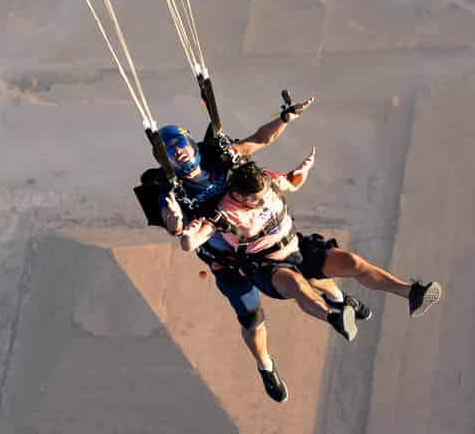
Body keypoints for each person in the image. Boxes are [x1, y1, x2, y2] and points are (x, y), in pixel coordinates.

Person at [142, 97, 370, 403]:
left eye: (179, 144)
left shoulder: (221, 157)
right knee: (252, 318)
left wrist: (285, 118)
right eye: (170, 151)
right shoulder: (170, 191)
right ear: (165, 160)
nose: (178, 151)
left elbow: (260, 140)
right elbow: (176, 228)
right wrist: (175, 216)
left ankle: (339, 300)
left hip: (260, 240)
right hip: (228, 261)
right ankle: (266, 367)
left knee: (306, 270)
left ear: (189, 142)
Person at [179, 157, 442, 392]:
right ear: (238, 195)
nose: (262, 201)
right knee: (294, 286)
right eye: (256, 200)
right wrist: (189, 236)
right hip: (268, 265)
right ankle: (329, 319)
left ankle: (411, 292)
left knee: (350, 262)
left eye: (263, 195)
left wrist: (302, 169)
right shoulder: (224, 212)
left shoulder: (266, 183)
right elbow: (195, 240)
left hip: (297, 247)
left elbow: (290, 183)